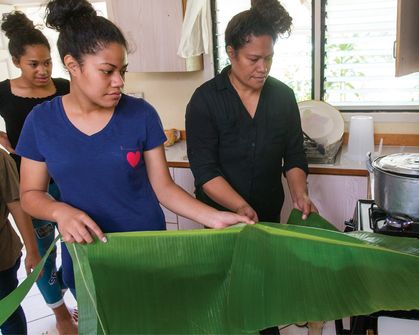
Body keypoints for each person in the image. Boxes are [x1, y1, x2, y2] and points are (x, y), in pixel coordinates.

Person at [15, 0, 253, 304]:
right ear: (73, 65)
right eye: (107, 71)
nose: (119, 82)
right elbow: (30, 194)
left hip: (146, 251)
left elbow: (164, 188)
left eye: (122, 71)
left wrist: (215, 217)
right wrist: (59, 211)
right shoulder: (41, 122)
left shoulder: (140, 115)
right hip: (88, 254)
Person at [185, 0, 317, 333]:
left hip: (268, 219)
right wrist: (240, 206)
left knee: (262, 297)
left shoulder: (282, 97)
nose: (263, 67)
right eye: (253, 59)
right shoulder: (205, 100)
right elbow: (205, 171)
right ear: (231, 52)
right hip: (222, 221)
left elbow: (294, 155)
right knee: (228, 298)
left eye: (269, 58)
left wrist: (299, 193)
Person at [0, 11, 77, 334]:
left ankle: (83, 302)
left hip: (69, 181)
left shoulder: (63, 87)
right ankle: (60, 317)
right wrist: (8, 143)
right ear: (17, 61)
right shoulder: (3, 91)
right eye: (34, 64)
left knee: (74, 248)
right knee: (43, 256)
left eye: (47, 62)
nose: (43, 70)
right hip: (31, 187)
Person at [0, 149, 40, 335]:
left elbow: (16, 203)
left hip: (2, 257)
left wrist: (32, 250)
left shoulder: (1, 158)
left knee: (7, 313)